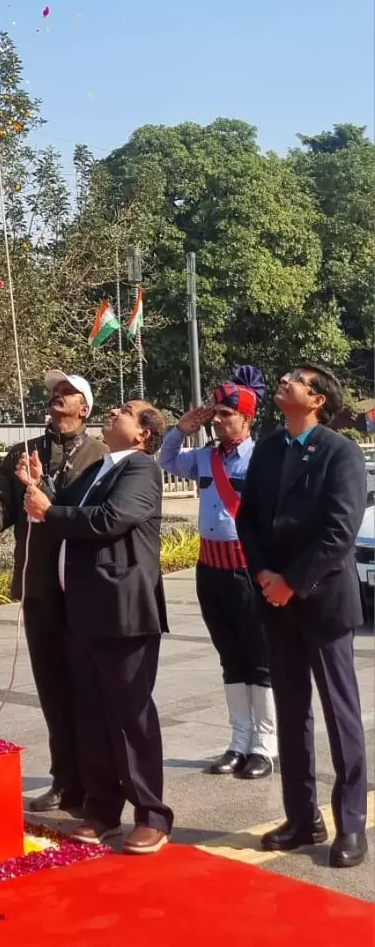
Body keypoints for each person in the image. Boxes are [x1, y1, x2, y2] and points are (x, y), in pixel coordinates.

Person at [23, 399, 171, 855]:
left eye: (124, 411)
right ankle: (102, 810)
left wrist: (50, 511)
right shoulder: (100, 468)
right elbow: (63, 507)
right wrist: (40, 487)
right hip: (83, 610)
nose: (112, 413)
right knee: (90, 714)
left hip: (121, 610)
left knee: (129, 716)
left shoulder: (141, 469)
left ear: (143, 433)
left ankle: (152, 815)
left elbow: (110, 520)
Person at [237, 363, 368, 869]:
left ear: (317, 401)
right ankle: (301, 817)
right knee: (291, 714)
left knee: (340, 714)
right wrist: (263, 574)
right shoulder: (270, 447)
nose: (285, 380)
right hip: (275, 599)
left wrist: (291, 581)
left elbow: (340, 530)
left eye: (298, 379)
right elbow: (248, 517)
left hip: (322, 600)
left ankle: (350, 824)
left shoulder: (340, 452)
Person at [0, 370, 105, 814]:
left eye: (67, 393)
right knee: (53, 689)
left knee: (88, 688)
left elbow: (96, 516)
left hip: (83, 587)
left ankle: (96, 781)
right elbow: (1, 504)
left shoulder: (101, 457)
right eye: (54, 392)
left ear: (84, 408)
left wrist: (44, 491)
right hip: (40, 585)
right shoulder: (22, 452)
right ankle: (64, 781)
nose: (57, 397)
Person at [159, 365, 277, 779]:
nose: (218, 420)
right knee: (230, 656)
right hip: (210, 569)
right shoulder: (205, 457)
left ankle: (264, 745)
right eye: (216, 413)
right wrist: (181, 428)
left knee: (258, 658)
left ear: (247, 419)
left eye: (227, 414)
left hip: (246, 569)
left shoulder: (261, 459)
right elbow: (166, 460)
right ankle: (238, 741)